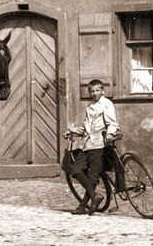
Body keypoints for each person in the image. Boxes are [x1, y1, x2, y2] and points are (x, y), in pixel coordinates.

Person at [66, 79, 119, 215]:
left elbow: (112, 123)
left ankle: (82, 206)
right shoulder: (89, 107)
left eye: (97, 91)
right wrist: (73, 131)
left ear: (102, 91)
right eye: (92, 91)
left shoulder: (106, 104)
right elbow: (86, 128)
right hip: (87, 144)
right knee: (75, 170)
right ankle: (95, 196)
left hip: (100, 145)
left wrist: (110, 134)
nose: (94, 93)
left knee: (93, 176)